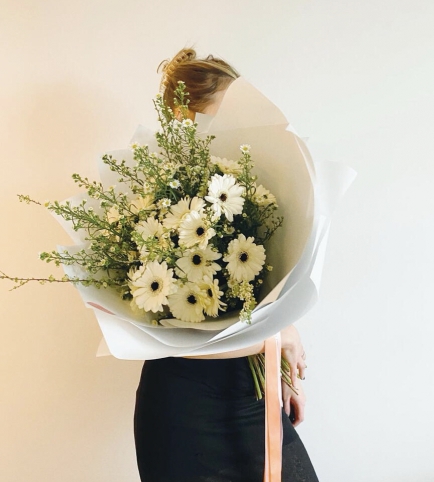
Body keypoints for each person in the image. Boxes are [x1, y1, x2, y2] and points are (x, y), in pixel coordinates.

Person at [134, 48, 319, 482]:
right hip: (182, 410)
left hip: (250, 395)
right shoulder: (151, 204)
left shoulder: (247, 193)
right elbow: (169, 337)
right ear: (179, 120)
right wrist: (278, 337)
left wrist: (280, 366)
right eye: (215, 120)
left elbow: (267, 292)